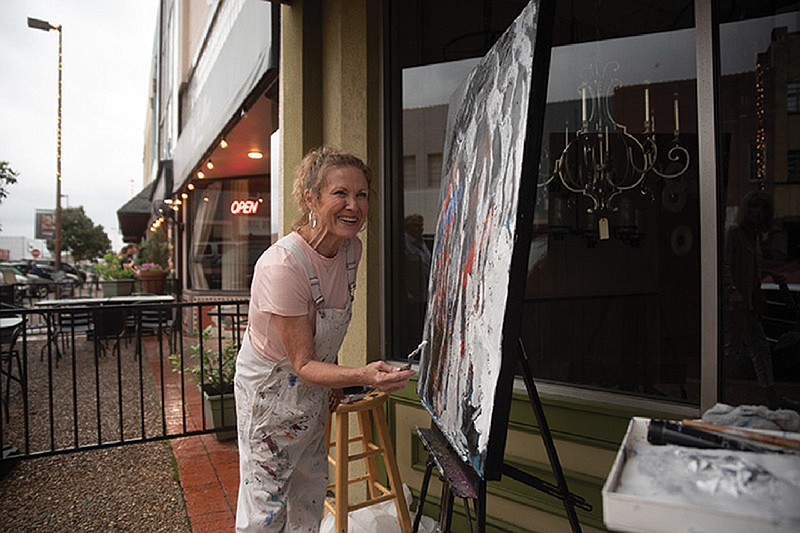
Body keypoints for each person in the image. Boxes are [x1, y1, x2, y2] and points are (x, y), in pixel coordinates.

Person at [234, 146, 415, 532]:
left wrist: (332, 378)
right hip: (270, 392)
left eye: (362, 194)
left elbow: (325, 336)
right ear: (310, 198)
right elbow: (300, 362)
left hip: (314, 386)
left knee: (309, 492)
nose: (353, 205)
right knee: (266, 506)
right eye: (340, 193)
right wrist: (361, 375)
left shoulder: (352, 250)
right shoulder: (282, 265)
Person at [724, 190, 786, 409]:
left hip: (748, 304)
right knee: (732, 348)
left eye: (761, 209)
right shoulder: (735, 233)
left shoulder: (755, 237)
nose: (757, 213)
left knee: (759, 348)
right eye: (753, 207)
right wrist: (733, 294)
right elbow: (725, 265)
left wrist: (768, 276)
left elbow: (750, 267)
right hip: (737, 304)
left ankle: (770, 395)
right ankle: (718, 393)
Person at [401, 214, 431, 354]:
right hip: (411, 297)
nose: (420, 229)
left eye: (421, 226)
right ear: (407, 227)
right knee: (412, 331)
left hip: (424, 294)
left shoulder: (421, 242)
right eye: (416, 226)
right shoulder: (403, 243)